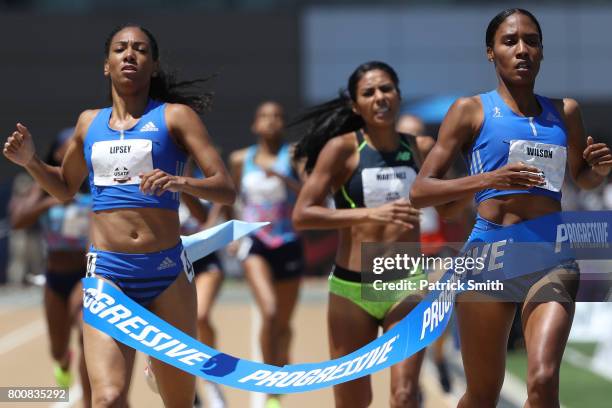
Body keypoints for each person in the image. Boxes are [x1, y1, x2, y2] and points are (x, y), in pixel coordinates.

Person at [3, 25, 235, 408]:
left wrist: (179, 182)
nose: (130, 54)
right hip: (108, 274)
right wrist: (30, 161)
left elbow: (225, 187)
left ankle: (161, 371)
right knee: (108, 398)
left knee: (179, 402)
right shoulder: (88, 123)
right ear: (106, 66)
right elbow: (64, 186)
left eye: (140, 49)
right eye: (120, 49)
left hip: (166, 275)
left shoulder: (176, 117)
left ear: (154, 65)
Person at [409, 8, 612, 408]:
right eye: (510, 41)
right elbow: (421, 191)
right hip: (489, 254)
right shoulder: (469, 111)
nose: (522, 50)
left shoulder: (565, 112)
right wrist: (489, 180)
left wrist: (598, 171)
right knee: (483, 394)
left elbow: (580, 177)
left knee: (542, 380)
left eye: (531, 41)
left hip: (551, 254)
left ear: (541, 52)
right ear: (490, 52)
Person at [292, 61, 434, 408]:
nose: (379, 97)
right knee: (352, 401)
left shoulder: (421, 148)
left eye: (386, 89)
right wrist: (373, 213)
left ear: (399, 95)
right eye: (368, 92)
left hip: (406, 283)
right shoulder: (342, 148)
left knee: (404, 396)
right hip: (351, 290)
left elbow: (451, 208)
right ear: (356, 105)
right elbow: (302, 214)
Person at [229, 101, 304, 408]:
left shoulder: (294, 155)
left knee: (283, 323)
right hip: (254, 241)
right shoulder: (240, 159)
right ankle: (270, 385)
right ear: (254, 125)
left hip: (287, 240)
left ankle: (279, 362)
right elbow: (229, 198)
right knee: (269, 311)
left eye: (277, 116)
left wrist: (283, 177)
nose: (271, 121)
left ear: (283, 123)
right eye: (264, 116)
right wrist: (229, 232)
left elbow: (309, 192)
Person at [10, 128, 92, 405]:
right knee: (57, 349)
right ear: (59, 153)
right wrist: (51, 199)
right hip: (55, 276)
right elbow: (18, 221)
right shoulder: (41, 185)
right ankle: (65, 360)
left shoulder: (95, 184)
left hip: (86, 274)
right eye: (70, 148)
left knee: (82, 327)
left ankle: (88, 392)